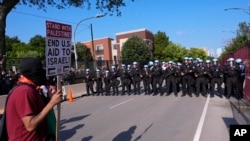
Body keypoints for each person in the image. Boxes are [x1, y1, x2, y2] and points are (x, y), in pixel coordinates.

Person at [5, 57, 62, 141]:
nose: (43, 72)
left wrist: (50, 99)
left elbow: (39, 112)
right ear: (32, 72)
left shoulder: (31, 88)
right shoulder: (24, 91)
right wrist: (51, 103)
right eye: (40, 69)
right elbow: (30, 125)